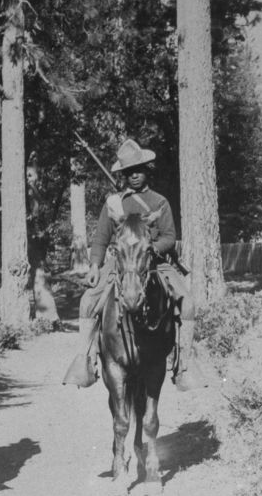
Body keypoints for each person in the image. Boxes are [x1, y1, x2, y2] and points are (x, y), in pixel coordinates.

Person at [63, 139, 208, 391]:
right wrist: (95, 265)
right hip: (120, 262)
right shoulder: (113, 203)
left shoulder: (160, 202)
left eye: (138, 170)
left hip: (156, 263)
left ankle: (184, 363)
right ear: (123, 175)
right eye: (129, 172)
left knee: (188, 304)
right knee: (88, 301)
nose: (134, 176)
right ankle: (84, 360)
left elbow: (169, 237)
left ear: (147, 169)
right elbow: (100, 240)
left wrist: (152, 249)